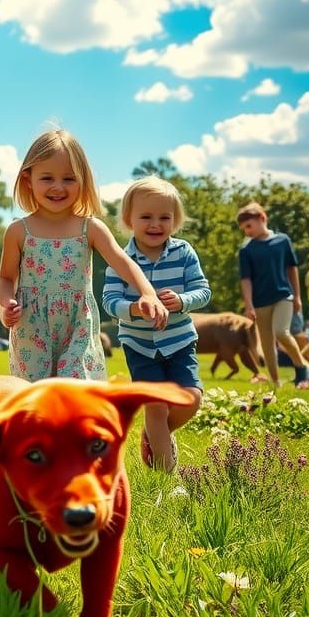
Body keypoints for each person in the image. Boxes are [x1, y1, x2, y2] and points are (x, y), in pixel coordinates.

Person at [0, 129, 167, 382]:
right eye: (47, 178)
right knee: (35, 395)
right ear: (27, 179)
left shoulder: (91, 228)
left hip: (77, 323)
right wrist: (5, 304)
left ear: (83, 181)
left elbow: (121, 261)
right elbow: (6, 278)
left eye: (69, 178)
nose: (58, 187)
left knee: (76, 388)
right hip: (30, 327)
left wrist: (148, 292)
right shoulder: (18, 231)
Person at [102, 177, 211, 472]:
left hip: (179, 341)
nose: (155, 224)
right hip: (139, 346)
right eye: (146, 217)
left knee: (191, 398)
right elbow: (109, 301)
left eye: (165, 217)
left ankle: (154, 434)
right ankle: (165, 474)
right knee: (156, 405)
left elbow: (203, 291)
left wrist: (182, 300)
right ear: (129, 219)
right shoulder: (120, 258)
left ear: (175, 221)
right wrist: (135, 308)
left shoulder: (183, 252)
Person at [236, 201, 309, 388]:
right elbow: (246, 280)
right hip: (260, 302)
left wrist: (298, 297)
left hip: (283, 296)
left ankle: (302, 366)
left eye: (248, 226)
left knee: (281, 332)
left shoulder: (282, 241)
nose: (246, 231)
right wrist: (249, 305)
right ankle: (276, 383)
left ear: (262, 219)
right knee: (268, 345)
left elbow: (292, 269)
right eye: (243, 229)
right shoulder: (246, 250)